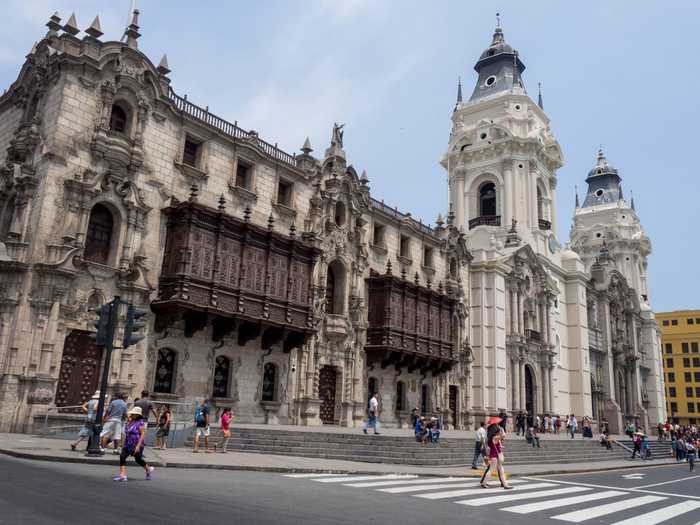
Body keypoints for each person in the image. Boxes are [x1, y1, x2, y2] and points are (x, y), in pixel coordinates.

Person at [112, 406, 155, 482]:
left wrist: (138, 446)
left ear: (138, 415)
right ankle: (123, 475)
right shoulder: (131, 422)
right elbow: (126, 432)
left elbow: (142, 435)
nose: (132, 415)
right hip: (128, 443)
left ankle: (148, 469)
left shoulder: (140, 423)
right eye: (132, 413)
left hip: (136, 444)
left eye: (134, 414)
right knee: (122, 456)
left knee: (138, 459)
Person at [480, 416, 512, 489]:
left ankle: (505, 484)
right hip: (495, 456)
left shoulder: (492, 438)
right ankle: (484, 483)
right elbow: (503, 435)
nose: (499, 431)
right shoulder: (495, 437)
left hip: (495, 455)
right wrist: (502, 429)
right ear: (495, 431)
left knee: (501, 470)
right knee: (492, 470)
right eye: (498, 430)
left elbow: (500, 441)